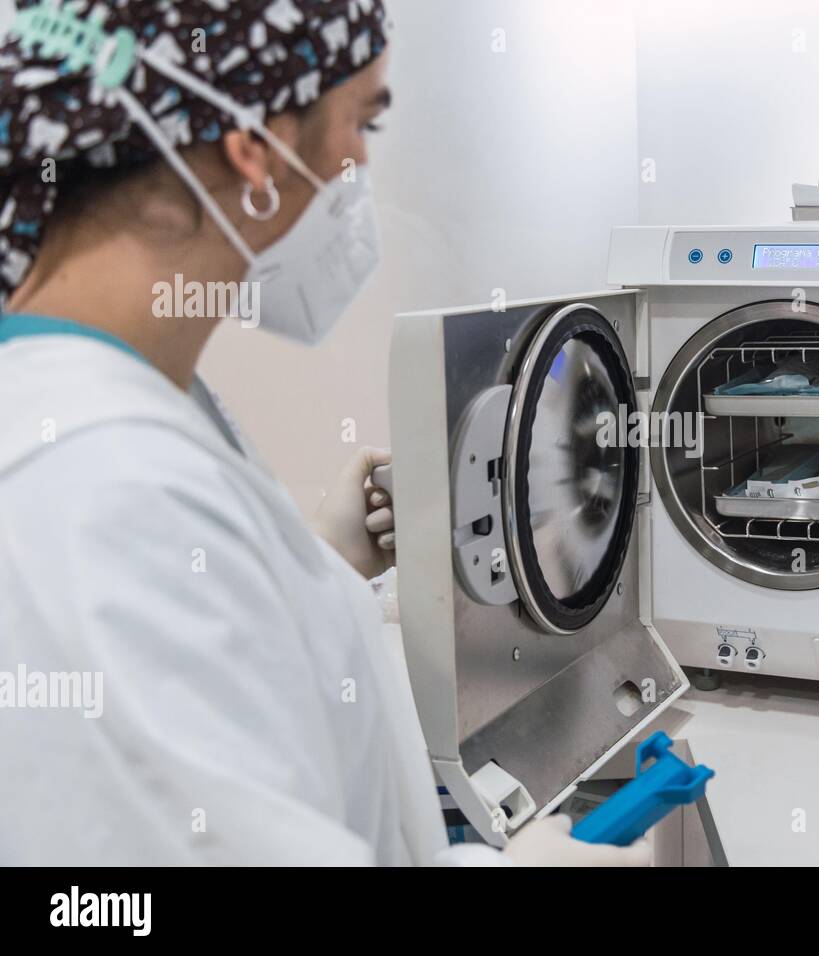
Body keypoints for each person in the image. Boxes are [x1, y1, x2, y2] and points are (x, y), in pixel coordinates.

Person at [0, 0, 646, 866]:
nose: (361, 168)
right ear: (254, 147)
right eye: (362, 121)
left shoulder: (131, 412)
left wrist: (318, 566)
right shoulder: (101, 497)